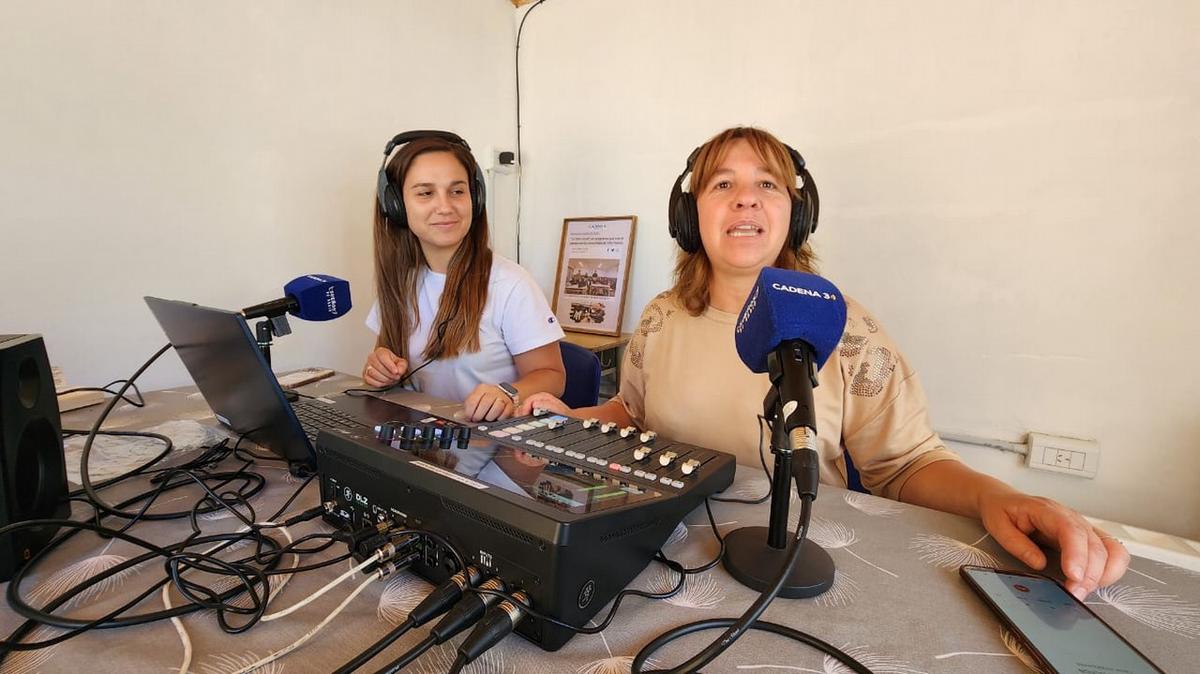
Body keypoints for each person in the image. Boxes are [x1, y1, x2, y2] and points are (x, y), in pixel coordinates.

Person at [520, 126, 1128, 600]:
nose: (745, 200)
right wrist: (565, 420)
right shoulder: (660, 316)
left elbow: (907, 463)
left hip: (793, 565)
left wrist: (993, 497)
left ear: (794, 212)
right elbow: (631, 411)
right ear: (691, 215)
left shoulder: (845, 328)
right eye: (721, 185)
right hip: (662, 551)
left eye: (767, 184)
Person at [363, 130, 565, 421]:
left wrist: (507, 392)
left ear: (476, 197)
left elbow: (552, 376)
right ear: (395, 205)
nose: (445, 207)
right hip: (422, 449)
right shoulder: (401, 284)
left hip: (493, 453)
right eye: (425, 193)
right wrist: (379, 369)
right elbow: (383, 358)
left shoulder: (511, 284)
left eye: (457, 191)